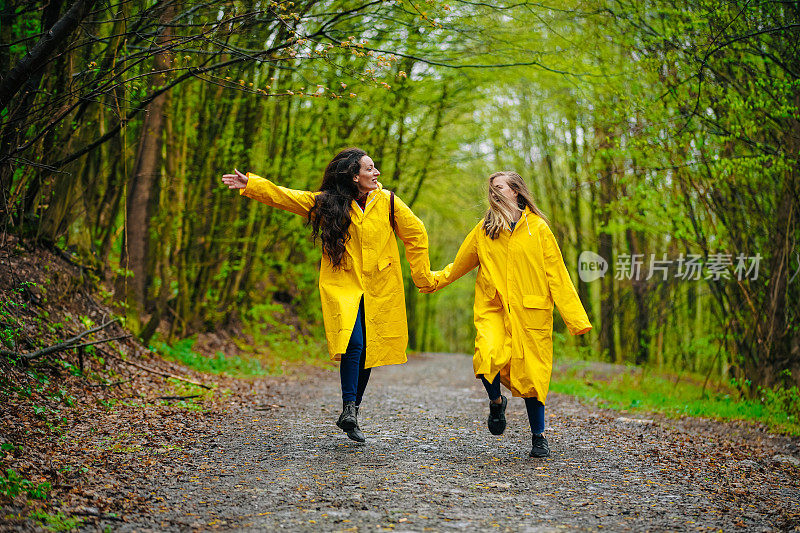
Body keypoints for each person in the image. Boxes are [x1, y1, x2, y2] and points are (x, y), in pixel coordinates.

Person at [222, 148, 436, 442]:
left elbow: (417, 233)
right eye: (370, 169)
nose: (376, 174)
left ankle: (352, 412)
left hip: (379, 285)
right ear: (353, 175)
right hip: (343, 283)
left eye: (375, 169)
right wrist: (253, 185)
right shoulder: (329, 203)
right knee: (354, 342)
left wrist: (421, 274)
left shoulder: (388, 202)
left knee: (369, 349)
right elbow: (289, 198)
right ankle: (349, 406)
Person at [421, 171, 592, 458]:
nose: (493, 192)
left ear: (515, 191)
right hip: (494, 308)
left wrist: (576, 319)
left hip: (531, 312)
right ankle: (496, 401)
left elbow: (558, 276)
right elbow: (460, 264)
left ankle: (539, 437)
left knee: (532, 375)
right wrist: (432, 280)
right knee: (486, 355)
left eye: (499, 187)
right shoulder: (484, 230)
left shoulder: (537, 229)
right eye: (490, 189)